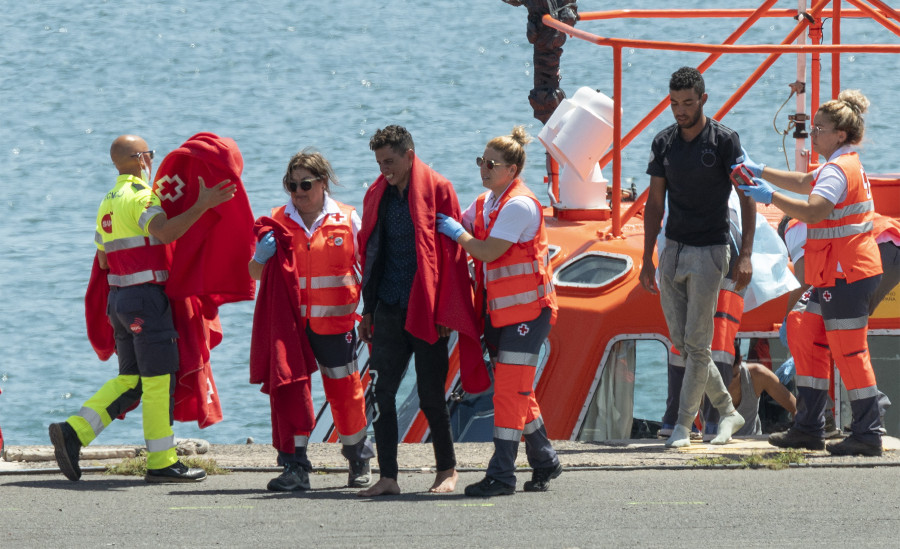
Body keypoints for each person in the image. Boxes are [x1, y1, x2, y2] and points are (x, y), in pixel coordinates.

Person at [49, 134, 236, 482]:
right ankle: (162, 462)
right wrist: (202, 205)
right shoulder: (141, 196)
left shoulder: (107, 202)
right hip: (146, 300)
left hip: (119, 299)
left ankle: (73, 432)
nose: (153, 159)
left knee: (131, 378)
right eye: (150, 154)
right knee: (156, 380)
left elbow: (104, 260)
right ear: (139, 159)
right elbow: (164, 233)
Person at [736, 89, 885, 456]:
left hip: (846, 274)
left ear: (840, 134)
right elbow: (806, 184)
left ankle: (868, 432)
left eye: (820, 128)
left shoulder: (839, 168)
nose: (813, 133)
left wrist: (769, 197)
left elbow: (815, 209)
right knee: (805, 332)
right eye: (813, 127)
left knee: (849, 353)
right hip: (835, 274)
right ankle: (808, 427)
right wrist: (760, 171)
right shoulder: (839, 165)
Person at [356, 125, 485, 497]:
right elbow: (371, 256)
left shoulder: (439, 189)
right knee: (381, 393)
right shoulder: (377, 195)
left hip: (427, 309)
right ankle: (388, 477)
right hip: (388, 308)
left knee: (431, 395)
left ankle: (447, 470)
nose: (385, 169)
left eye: (391, 161)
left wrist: (447, 311)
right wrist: (368, 311)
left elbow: (451, 256)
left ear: (410, 155)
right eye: (380, 162)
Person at [437, 126, 562, 497]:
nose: (484, 168)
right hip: (501, 315)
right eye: (481, 160)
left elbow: (487, 250)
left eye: (491, 163)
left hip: (528, 314)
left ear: (512, 170)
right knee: (519, 391)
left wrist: (457, 233)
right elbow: (463, 220)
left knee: (508, 393)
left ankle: (502, 474)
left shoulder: (519, 205)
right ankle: (544, 459)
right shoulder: (486, 203)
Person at [640, 67, 756, 448]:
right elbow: (655, 204)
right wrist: (646, 259)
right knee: (682, 341)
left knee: (697, 342)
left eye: (688, 103)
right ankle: (727, 411)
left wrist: (746, 255)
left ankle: (682, 426)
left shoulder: (724, 140)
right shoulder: (663, 143)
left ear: (703, 100)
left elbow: (747, 196)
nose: (680, 110)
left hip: (711, 250)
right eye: (674, 103)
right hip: (672, 249)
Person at [248, 149, 375, 491]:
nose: (298, 192)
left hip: (335, 325)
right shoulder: (276, 220)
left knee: (346, 392)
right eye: (292, 185)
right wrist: (260, 257)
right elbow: (253, 272)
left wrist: (371, 313)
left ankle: (359, 458)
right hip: (290, 328)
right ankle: (294, 467)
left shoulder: (347, 219)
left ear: (322, 183)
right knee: (291, 394)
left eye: (305, 184)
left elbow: (368, 270)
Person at [727, 342, 797, 436]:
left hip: (752, 445)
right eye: (719, 380)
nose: (727, 386)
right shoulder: (704, 377)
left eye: (732, 377)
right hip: (711, 445)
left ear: (740, 360)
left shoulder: (757, 375)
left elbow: (796, 408)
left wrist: (796, 440)